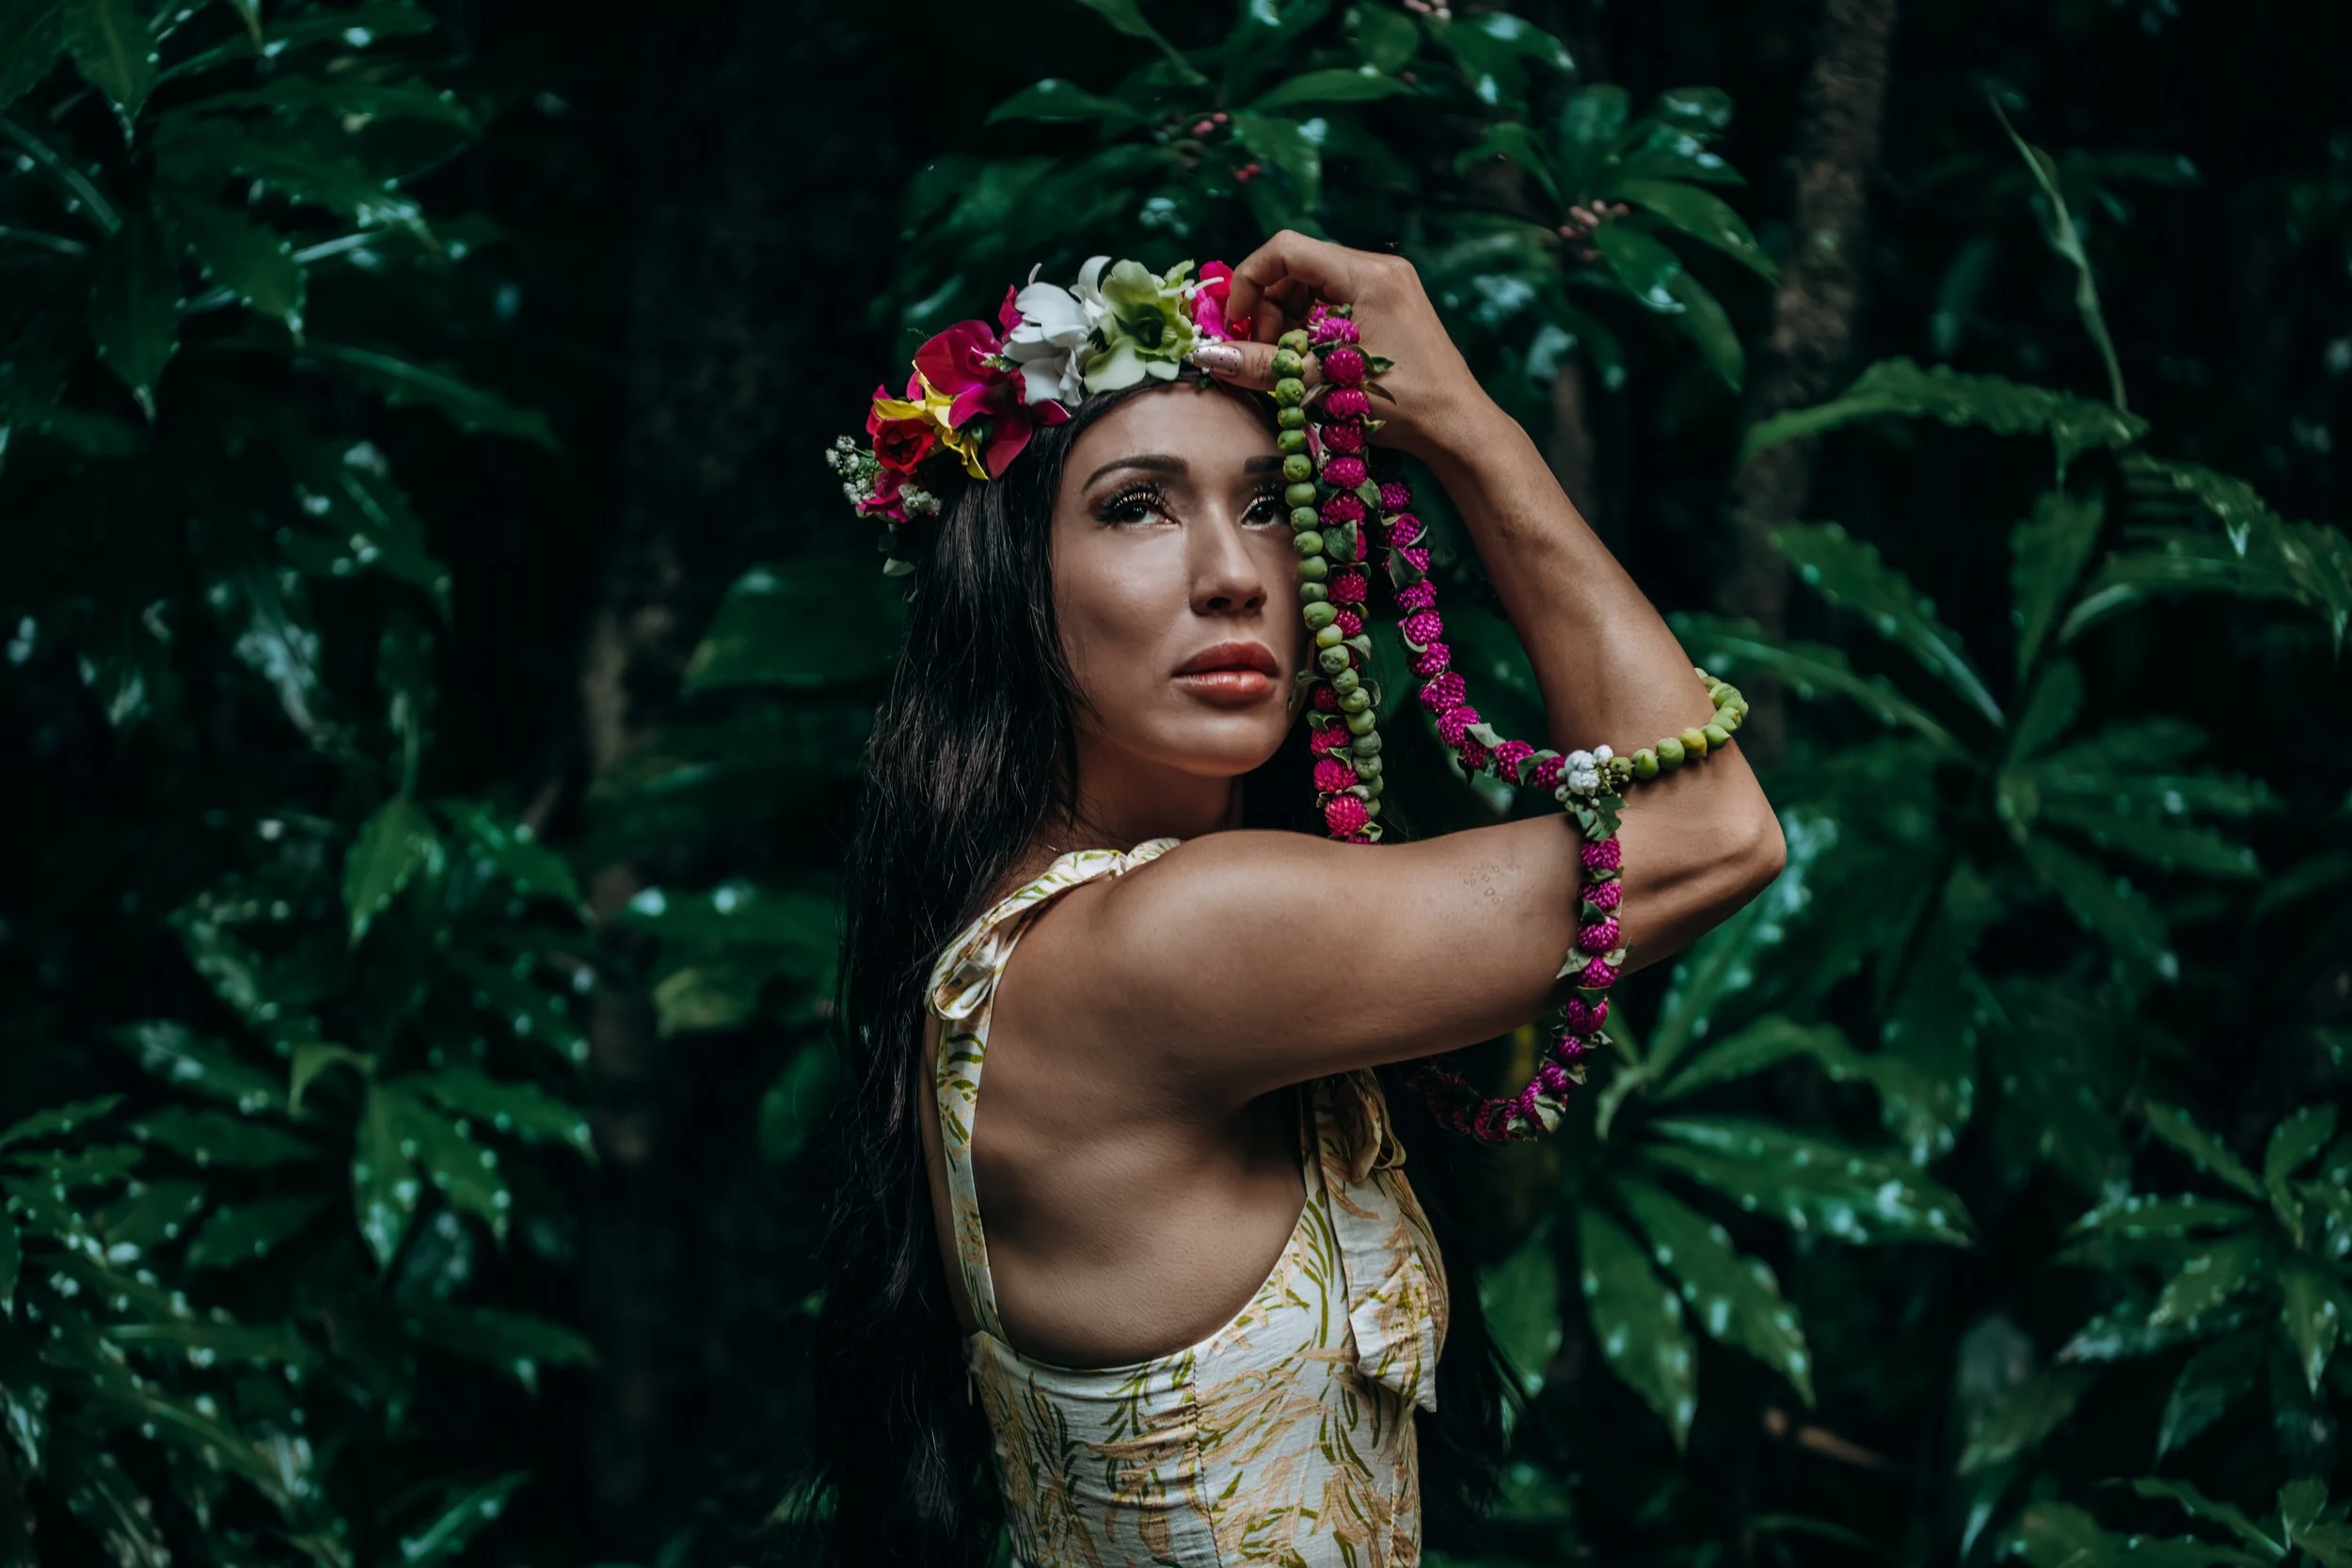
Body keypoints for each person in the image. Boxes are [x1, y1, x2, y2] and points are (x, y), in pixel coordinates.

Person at [807, 233, 1785, 1566]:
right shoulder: (1177, 936)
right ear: (1006, 582)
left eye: (1270, 501)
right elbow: (1714, 834)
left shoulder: (1025, 938)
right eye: (1138, 507)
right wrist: (1469, 428)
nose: (1235, 572)